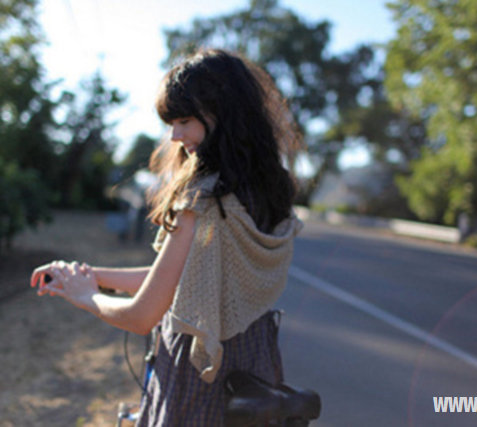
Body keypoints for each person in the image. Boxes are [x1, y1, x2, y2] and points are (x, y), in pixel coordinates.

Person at [30, 48, 304, 426]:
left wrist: (86, 297)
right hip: (254, 371)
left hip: (199, 372)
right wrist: (92, 274)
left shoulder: (204, 199)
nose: (175, 136)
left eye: (185, 120)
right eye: (171, 123)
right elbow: (186, 282)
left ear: (223, 114)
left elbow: (143, 315)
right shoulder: (271, 191)